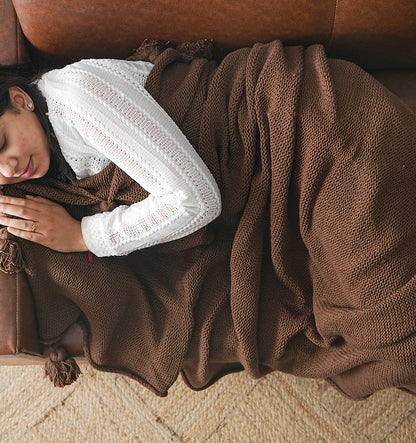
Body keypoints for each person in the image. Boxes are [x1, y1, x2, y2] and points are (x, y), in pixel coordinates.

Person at [0, 59, 222, 257]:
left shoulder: (77, 97)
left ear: (20, 99)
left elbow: (196, 200)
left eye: (3, 144)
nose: (9, 170)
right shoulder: (46, 155)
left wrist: (82, 236)